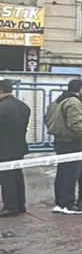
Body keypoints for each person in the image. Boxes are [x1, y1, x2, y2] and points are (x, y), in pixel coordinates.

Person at [43, 78, 82, 214]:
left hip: (59, 141)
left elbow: (46, 118)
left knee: (62, 172)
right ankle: (69, 204)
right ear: (80, 89)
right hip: (71, 142)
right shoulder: (74, 102)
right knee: (71, 173)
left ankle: (60, 203)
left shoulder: (57, 101)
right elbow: (75, 125)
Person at [0, 79, 30, 216]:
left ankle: (10, 206)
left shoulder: (2, 107)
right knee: (17, 175)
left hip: (3, 148)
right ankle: (20, 204)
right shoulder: (23, 106)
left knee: (6, 177)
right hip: (19, 147)